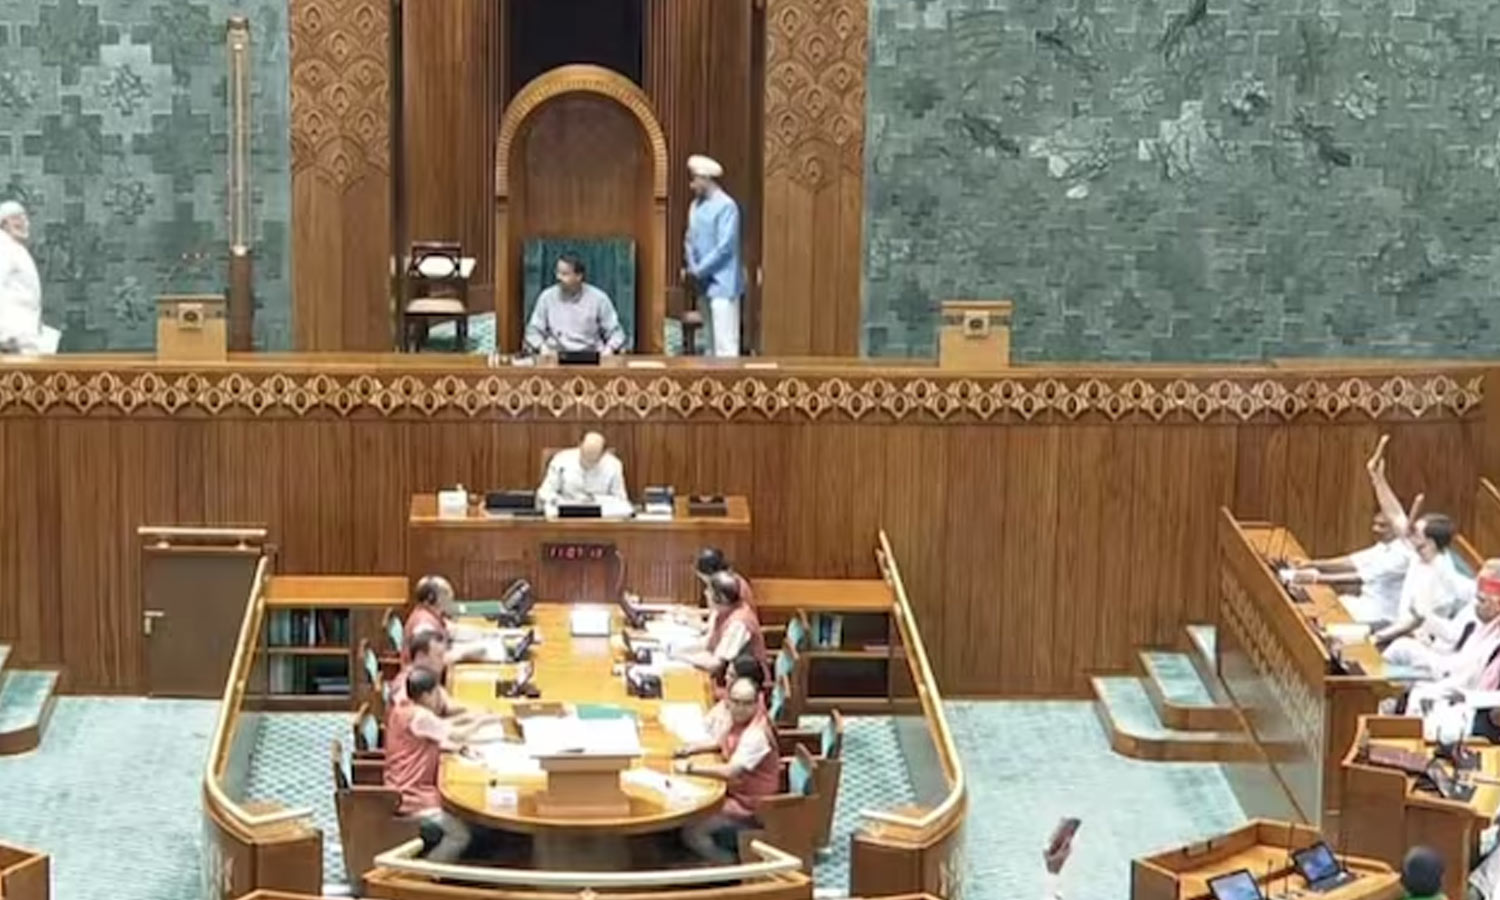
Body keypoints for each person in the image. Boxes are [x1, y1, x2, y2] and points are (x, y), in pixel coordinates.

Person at [383, 668, 498, 862]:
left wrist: (472, 724)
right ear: (426, 696)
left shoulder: (401, 709)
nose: (440, 699)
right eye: (437, 693)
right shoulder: (420, 717)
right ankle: (425, 873)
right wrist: (484, 721)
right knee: (460, 835)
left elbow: (441, 731)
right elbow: (457, 734)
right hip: (412, 799)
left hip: (400, 790)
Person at [674, 677, 781, 862]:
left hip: (749, 808)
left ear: (757, 703)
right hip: (732, 794)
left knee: (692, 831)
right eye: (736, 702)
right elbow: (721, 742)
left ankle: (730, 867)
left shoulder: (756, 734)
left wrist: (690, 768)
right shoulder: (734, 719)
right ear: (728, 701)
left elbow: (731, 771)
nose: (740, 708)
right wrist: (691, 749)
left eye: (747, 703)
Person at [1400, 562, 1500, 742]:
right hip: (1461, 690)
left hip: (1478, 707)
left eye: (1482, 600)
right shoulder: (1484, 627)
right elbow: (1463, 665)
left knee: (1425, 703)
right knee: (1415, 692)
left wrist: (1467, 697)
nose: (1476, 606)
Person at [1288, 510, 1409, 624]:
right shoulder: (1383, 546)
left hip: (1380, 617)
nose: (1375, 529)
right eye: (1374, 524)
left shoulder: (1402, 554)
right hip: (1364, 604)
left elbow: (1359, 577)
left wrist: (1315, 579)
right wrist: (1311, 563)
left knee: (1316, 618)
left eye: (1382, 526)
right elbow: (1352, 561)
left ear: (1396, 529)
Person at [683, 155, 743, 357]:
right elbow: (689, 238)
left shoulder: (727, 206)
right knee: (708, 344)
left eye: (695, 179)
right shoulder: (695, 206)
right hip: (703, 284)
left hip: (722, 283)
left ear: (706, 178)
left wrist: (700, 269)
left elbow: (725, 247)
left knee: (725, 345)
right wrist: (692, 265)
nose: (692, 185)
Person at [523, 253, 627, 355]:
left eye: (564, 274)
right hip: (555, 356)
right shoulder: (547, 297)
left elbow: (616, 333)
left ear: (579, 276)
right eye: (557, 272)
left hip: (590, 356)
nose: (558, 277)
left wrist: (609, 349)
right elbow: (533, 331)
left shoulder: (599, 299)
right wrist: (542, 347)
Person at [675, 570, 768, 679]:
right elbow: (708, 643)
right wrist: (677, 650)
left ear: (720, 598)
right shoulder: (722, 610)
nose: (705, 593)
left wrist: (681, 657)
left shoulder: (739, 623)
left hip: (744, 683)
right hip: (726, 677)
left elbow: (715, 664)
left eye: (709, 591)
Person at [403, 575, 485, 666]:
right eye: (445, 593)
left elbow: (454, 630)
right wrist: (466, 654)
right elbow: (431, 661)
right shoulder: (424, 624)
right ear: (431, 598)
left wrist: (487, 634)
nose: (451, 597)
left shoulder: (432, 615)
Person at [0, 201, 45, 353]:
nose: (25, 224)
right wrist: (3, 335)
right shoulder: (3, 248)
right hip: (11, 339)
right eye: (17, 219)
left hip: (23, 336)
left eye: (25, 218)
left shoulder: (14, 247)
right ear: (4, 223)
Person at [537, 431, 627, 504]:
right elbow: (545, 492)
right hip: (567, 510)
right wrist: (561, 501)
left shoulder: (614, 465)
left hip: (601, 513)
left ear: (603, 454)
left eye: (593, 460)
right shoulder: (561, 460)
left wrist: (595, 499)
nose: (587, 463)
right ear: (579, 446)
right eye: (584, 456)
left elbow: (620, 498)